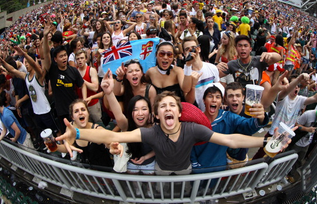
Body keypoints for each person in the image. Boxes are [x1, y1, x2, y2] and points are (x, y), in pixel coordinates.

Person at [57, 70, 275, 175]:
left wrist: (265, 140)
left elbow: (231, 140)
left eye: (172, 105)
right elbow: (111, 135)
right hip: (160, 170)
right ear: (157, 115)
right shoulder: (151, 133)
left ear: (179, 113)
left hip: (185, 171)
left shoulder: (193, 129)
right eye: (163, 107)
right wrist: (77, 134)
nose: (168, 109)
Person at [191, 85, 268, 171]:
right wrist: (195, 164)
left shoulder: (228, 117)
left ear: (221, 102)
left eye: (217, 97)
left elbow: (247, 125)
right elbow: (190, 144)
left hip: (219, 168)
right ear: (204, 100)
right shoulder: (196, 120)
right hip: (198, 169)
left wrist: (261, 118)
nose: (214, 99)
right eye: (210, 96)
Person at [42, 21, 87, 134]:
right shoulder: (52, 69)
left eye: (65, 55)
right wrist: (45, 37)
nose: (64, 58)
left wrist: (84, 99)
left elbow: (82, 85)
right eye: (60, 56)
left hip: (74, 109)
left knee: (79, 132)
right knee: (67, 133)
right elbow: (46, 54)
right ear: (55, 59)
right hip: (61, 111)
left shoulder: (73, 71)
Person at [51, 99, 113, 167]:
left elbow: (109, 141)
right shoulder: (70, 128)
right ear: (72, 117)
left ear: (88, 113)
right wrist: (54, 146)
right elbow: (68, 148)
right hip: (86, 168)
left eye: (83, 109)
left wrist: (110, 145)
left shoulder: (97, 129)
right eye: (76, 111)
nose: (80, 113)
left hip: (103, 168)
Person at [287, 103, 317, 182]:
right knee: (288, 158)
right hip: (298, 142)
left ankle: (290, 174)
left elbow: (315, 128)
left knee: (299, 160)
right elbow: (297, 125)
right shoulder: (308, 114)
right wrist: (307, 129)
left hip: (307, 143)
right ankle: (282, 172)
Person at [181, 36, 219, 111]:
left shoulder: (212, 68)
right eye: (187, 49)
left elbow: (218, 90)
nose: (191, 51)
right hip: (197, 113)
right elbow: (189, 101)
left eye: (193, 48)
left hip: (213, 111)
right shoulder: (183, 73)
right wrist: (193, 85)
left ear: (199, 49)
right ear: (184, 53)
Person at [75, 49, 102, 124]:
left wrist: (82, 80)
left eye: (82, 58)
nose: (80, 60)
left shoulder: (91, 70)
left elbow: (95, 87)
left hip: (93, 103)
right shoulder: (75, 72)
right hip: (81, 105)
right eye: (78, 59)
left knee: (98, 123)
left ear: (86, 59)